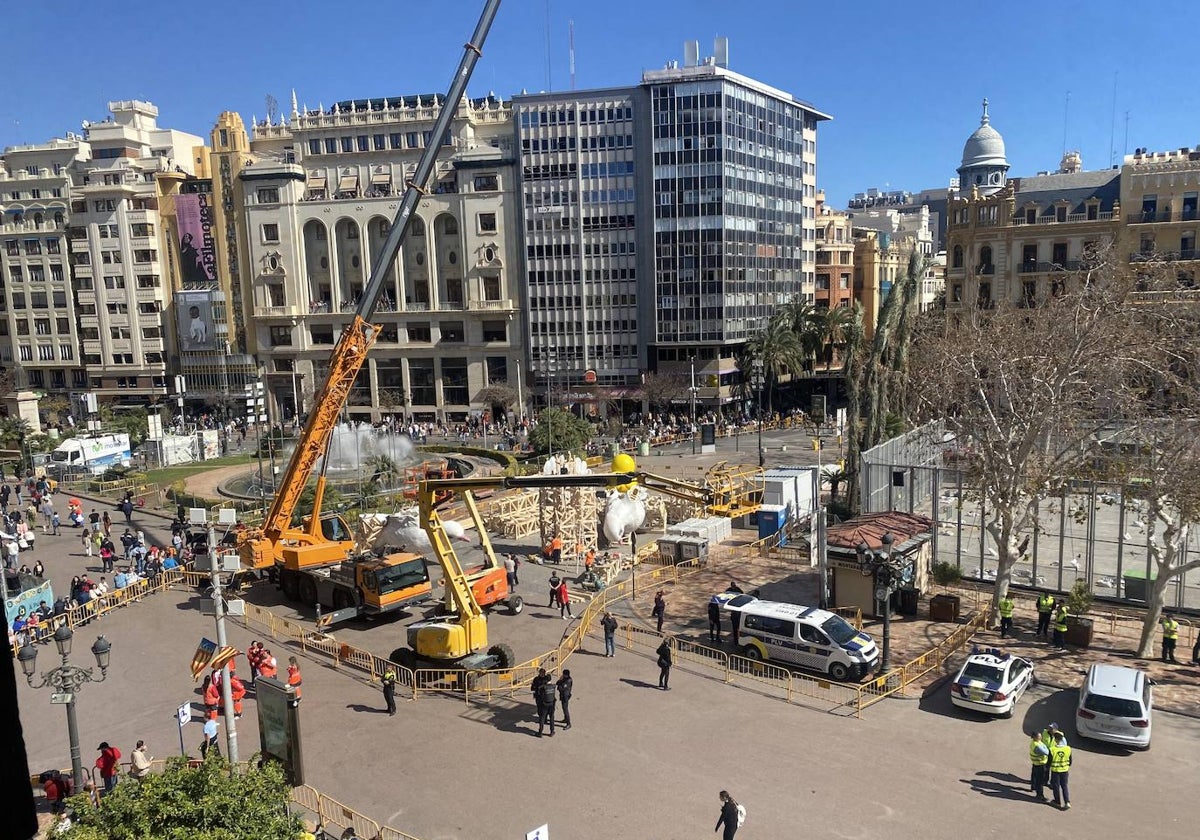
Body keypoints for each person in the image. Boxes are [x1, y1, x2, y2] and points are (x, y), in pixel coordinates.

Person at [1048, 731, 1072, 810]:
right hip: (1065, 770)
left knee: (1056, 786)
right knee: (1064, 786)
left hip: (1055, 770)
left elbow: (1049, 761)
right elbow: (1070, 761)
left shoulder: (1052, 749)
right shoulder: (1068, 748)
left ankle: (1057, 801)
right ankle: (1067, 802)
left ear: (1055, 740)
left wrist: (1047, 767)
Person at [532, 668, 557, 737]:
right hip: (551, 703)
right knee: (551, 718)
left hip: (543, 703)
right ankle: (552, 732)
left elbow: (534, 689)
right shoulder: (552, 686)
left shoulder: (541, 686)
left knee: (541, 717)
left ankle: (540, 732)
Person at [1028, 729, 1049, 800]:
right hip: (1040, 764)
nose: (1041, 737)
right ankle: (1040, 794)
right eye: (1039, 736)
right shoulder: (1036, 746)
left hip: (1036, 763)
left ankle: (1033, 787)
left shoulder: (1036, 742)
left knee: (1034, 775)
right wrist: (1045, 748)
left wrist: (1045, 747)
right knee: (1040, 780)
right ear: (1035, 737)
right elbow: (1046, 752)